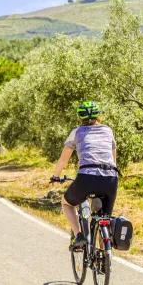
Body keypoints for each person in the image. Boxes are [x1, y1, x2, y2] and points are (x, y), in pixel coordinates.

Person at [51, 101, 119, 250]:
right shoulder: (108, 130)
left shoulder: (76, 132)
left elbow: (64, 159)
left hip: (86, 177)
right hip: (111, 178)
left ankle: (79, 236)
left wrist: (56, 176)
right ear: (98, 116)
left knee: (66, 203)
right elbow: (113, 158)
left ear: (79, 117)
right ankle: (105, 257)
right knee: (105, 219)